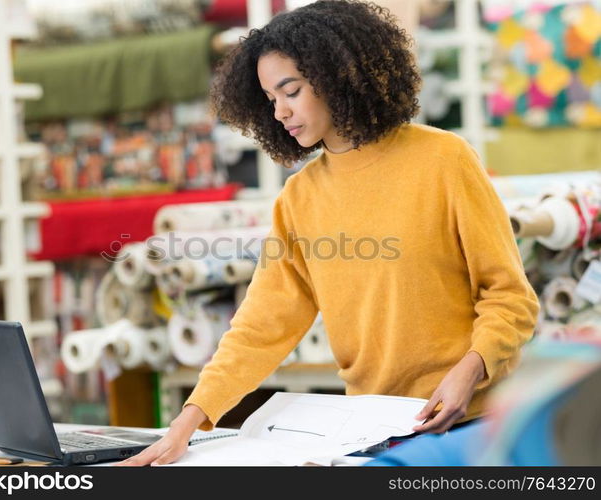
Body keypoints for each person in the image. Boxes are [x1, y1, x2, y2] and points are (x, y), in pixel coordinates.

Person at [118, 0, 539, 466]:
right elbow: (261, 326)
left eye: (290, 91)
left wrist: (471, 370)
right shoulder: (300, 198)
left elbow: (509, 296)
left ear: (338, 75)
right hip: (374, 430)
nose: (279, 111)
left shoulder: (444, 160)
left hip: (474, 422)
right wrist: (188, 422)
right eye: (270, 99)